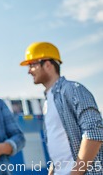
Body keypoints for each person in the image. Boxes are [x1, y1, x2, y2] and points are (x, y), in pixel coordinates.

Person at [20, 41, 103, 175]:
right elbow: (60, 149)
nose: (29, 71)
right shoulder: (47, 103)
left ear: (47, 64)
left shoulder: (73, 90)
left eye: (32, 64)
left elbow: (94, 132)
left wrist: (75, 173)